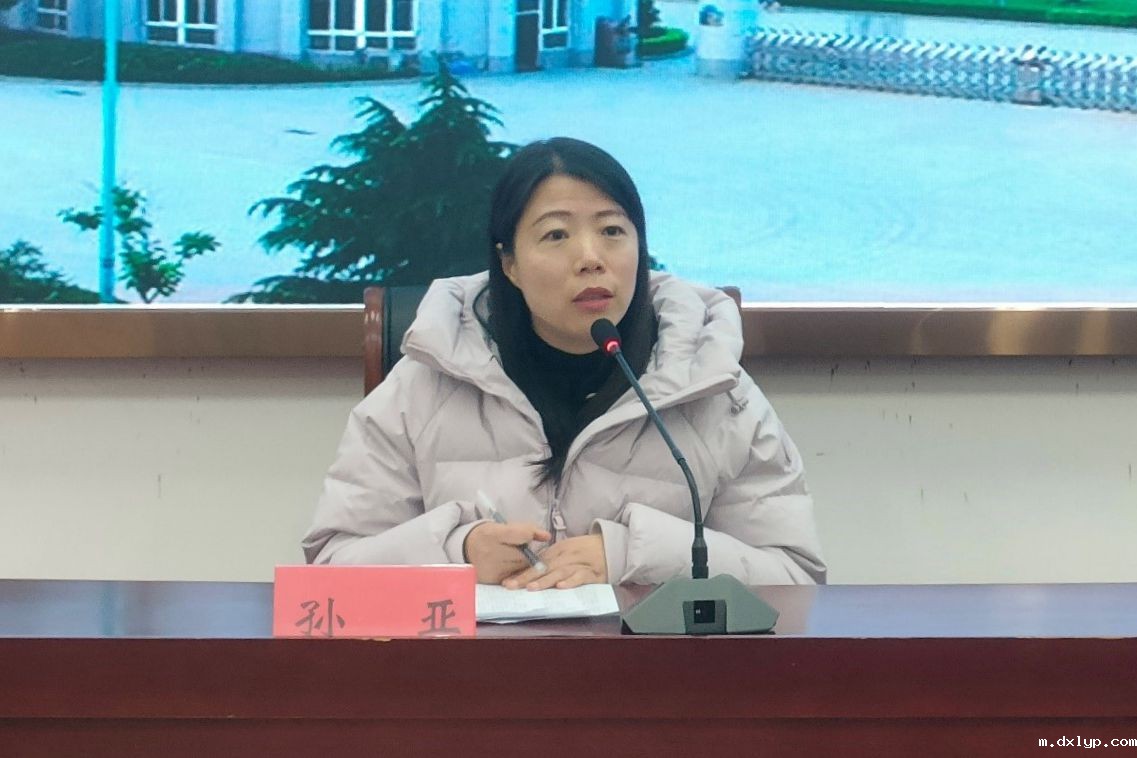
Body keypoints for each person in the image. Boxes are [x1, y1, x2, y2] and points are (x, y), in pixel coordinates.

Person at [302, 137, 826, 589]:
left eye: (612, 231)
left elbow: (794, 579)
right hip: (475, 670)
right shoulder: (425, 384)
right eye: (556, 235)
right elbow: (331, 567)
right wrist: (457, 551)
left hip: (649, 671)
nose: (590, 258)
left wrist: (632, 554)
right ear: (509, 263)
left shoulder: (710, 385)